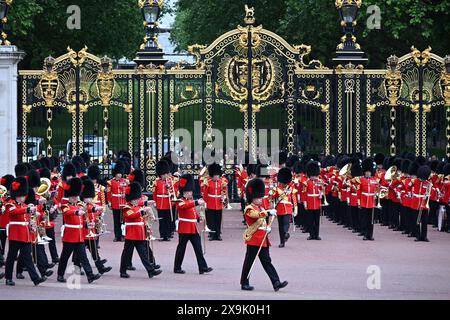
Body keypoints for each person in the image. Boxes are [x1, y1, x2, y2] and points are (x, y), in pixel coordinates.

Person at [240, 178, 288, 291]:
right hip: (254, 239)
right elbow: (256, 215)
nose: (261, 200)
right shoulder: (249, 208)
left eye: (261, 197)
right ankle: (244, 282)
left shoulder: (261, 207)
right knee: (249, 262)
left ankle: (276, 282)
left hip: (263, 239)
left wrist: (268, 228)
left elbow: (262, 221)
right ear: (253, 198)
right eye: (258, 198)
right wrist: (268, 212)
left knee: (267, 261)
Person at [56, 178, 101, 283]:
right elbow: (68, 213)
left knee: (84, 257)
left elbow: (87, 210)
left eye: (76, 196)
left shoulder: (80, 206)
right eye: (73, 197)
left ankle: (90, 275)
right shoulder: (65, 206)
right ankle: (60, 275)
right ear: (69, 197)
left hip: (79, 236)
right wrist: (77, 212)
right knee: (64, 257)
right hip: (70, 236)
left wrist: (89, 220)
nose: (75, 199)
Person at [4, 177, 46, 286]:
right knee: (11, 257)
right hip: (15, 234)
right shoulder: (10, 204)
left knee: (28, 258)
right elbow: (14, 213)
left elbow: (27, 217)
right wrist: (27, 209)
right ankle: (8, 278)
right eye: (22, 196)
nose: (23, 198)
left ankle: (35, 278)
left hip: (25, 235)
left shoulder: (24, 205)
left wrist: (35, 216)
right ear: (17, 195)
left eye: (24, 195)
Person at [119, 182, 162, 279]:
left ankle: (151, 271)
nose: (138, 201)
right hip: (131, 234)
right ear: (132, 199)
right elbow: (132, 215)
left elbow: (141, 217)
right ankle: (122, 271)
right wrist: (143, 211)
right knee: (127, 254)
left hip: (139, 234)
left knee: (144, 254)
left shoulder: (137, 206)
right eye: (137, 199)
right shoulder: (126, 208)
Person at [173, 174, 213, 275]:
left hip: (193, 228)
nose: (189, 193)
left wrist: (199, 217)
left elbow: (193, 212)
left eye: (190, 192)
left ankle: (202, 267)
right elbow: (184, 207)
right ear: (183, 192)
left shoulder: (190, 200)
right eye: (187, 192)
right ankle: (177, 267)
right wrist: (196, 202)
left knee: (198, 248)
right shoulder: (180, 201)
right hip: (184, 228)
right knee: (181, 248)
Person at [79, 178, 112, 275]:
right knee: (78, 254)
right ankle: (77, 268)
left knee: (94, 251)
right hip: (83, 232)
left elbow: (92, 211)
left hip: (90, 232)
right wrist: (96, 208)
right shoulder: (82, 205)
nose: (90, 199)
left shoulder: (90, 204)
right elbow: (88, 210)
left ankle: (100, 267)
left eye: (90, 197)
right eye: (88, 197)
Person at [270, 167, 297, 247]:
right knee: (280, 226)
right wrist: (271, 192)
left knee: (286, 223)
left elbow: (294, 199)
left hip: (288, 208)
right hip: (279, 209)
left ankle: (286, 233)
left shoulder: (291, 189)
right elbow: (272, 197)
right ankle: (282, 241)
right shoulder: (277, 189)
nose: (284, 184)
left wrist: (295, 209)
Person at [201, 163, 227, 241]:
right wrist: (205, 203)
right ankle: (212, 234)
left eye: (217, 175)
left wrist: (224, 199)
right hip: (210, 203)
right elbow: (205, 195)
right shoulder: (208, 183)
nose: (216, 177)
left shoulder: (221, 182)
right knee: (211, 220)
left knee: (218, 220)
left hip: (219, 204)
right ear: (212, 176)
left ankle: (218, 235)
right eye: (215, 176)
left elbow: (224, 192)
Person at [153, 160, 177, 241]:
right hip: (160, 203)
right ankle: (162, 235)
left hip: (168, 203)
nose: (165, 176)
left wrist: (169, 188)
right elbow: (155, 193)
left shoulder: (171, 182)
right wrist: (155, 202)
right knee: (161, 220)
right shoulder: (157, 182)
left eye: (166, 174)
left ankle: (167, 235)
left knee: (167, 220)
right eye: (163, 174)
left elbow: (174, 192)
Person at [410, 165, 432, 242]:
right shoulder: (414, 181)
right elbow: (407, 187)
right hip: (416, 203)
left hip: (424, 204)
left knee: (425, 221)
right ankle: (418, 236)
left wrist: (428, 195)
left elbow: (430, 193)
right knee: (416, 221)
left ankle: (424, 236)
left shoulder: (428, 183)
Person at [107, 161, 127, 242]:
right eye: (118, 173)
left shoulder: (125, 181)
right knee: (116, 221)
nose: (119, 175)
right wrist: (109, 202)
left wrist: (125, 195)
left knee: (123, 220)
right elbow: (108, 193)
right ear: (115, 174)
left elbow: (128, 190)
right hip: (115, 203)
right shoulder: (110, 182)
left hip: (123, 202)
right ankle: (117, 236)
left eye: (120, 173)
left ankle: (122, 235)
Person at [359, 158, 378, 241]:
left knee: (371, 220)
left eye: (369, 172)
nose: (368, 173)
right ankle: (365, 234)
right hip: (363, 202)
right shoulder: (361, 180)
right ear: (364, 172)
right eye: (367, 172)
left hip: (371, 202)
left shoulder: (374, 181)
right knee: (365, 220)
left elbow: (377, 190)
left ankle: (370, 235)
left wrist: (377, 194)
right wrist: (359, 202)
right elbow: (359, 192)